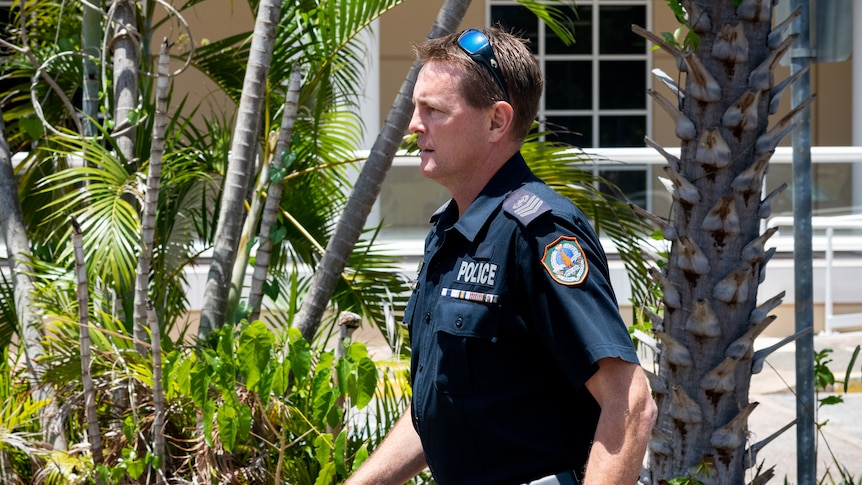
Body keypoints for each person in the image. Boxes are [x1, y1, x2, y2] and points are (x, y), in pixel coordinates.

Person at [346, 27, 656, 485]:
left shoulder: (539, 232)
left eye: (434, 110)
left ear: (496, 121)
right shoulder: (448, 233)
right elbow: (441, 405)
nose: (414, 124)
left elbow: (629, 402)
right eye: (417, 107)